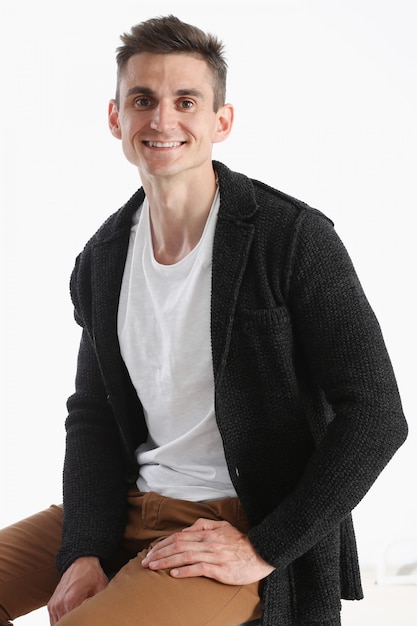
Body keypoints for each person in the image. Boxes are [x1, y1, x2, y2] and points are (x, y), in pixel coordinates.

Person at [0, 14, 408, 626]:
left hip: (229, 526)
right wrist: (82, 549)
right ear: (117, 118)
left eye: (185, 101)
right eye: (143, 100)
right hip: (127, 507)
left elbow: (376, 414)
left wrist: (264, 548)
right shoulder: (102, 259)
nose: (162, 120)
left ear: (221, 121)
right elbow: (93, 416)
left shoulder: (291, 239)